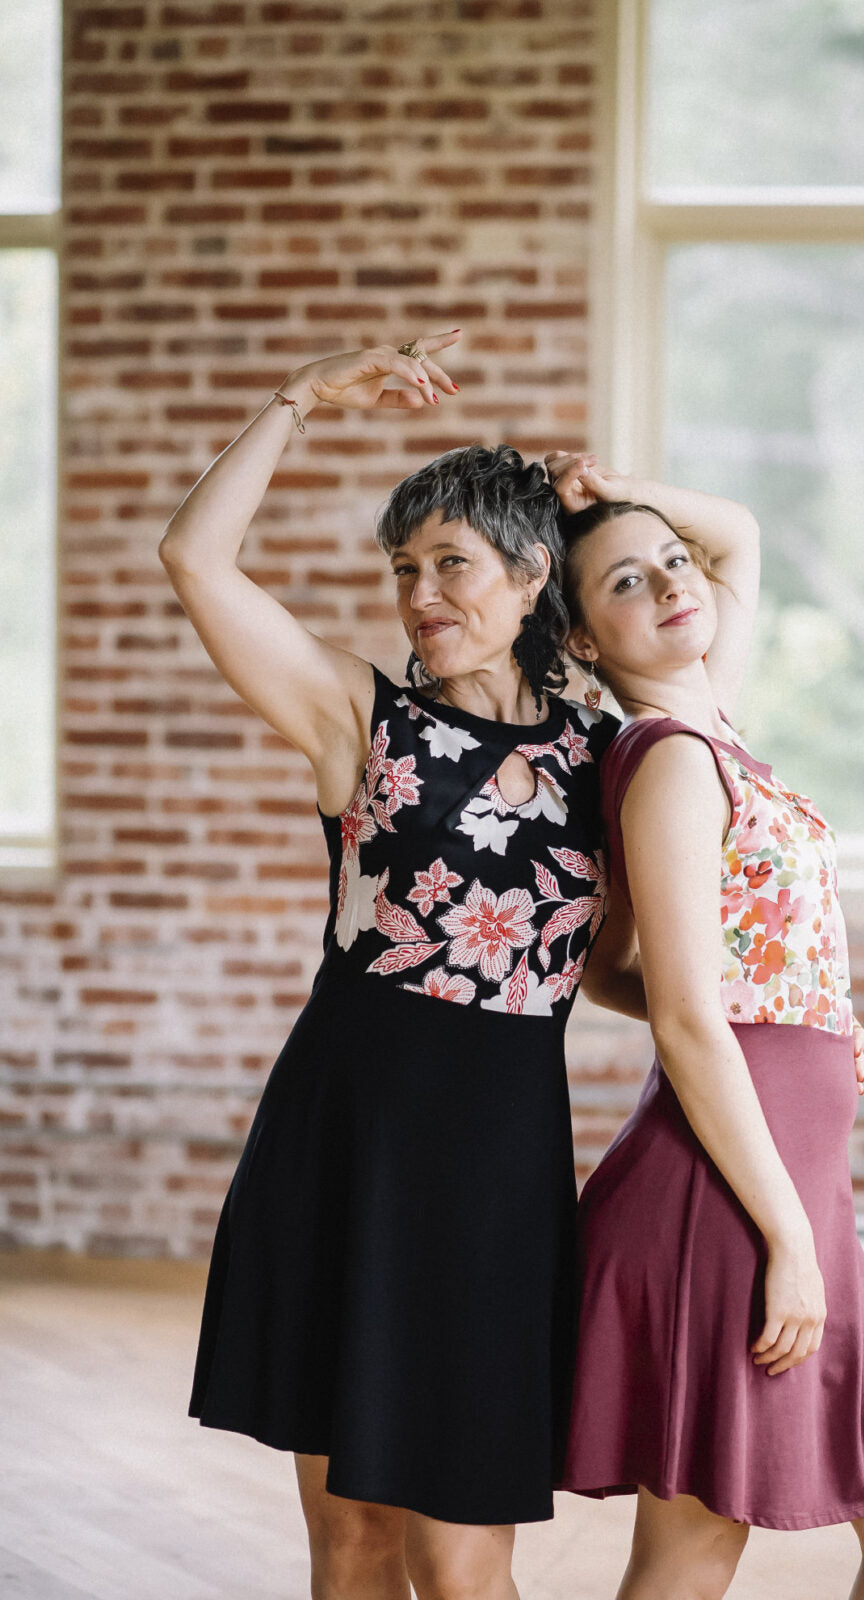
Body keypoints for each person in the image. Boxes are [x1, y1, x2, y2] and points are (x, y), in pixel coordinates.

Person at [157, 334, 627, 1600]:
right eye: (403, 567)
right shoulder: (363, 720)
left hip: (495, 1175)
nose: (420, 591)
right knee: (353, 1544)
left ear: (531, 573)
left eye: (451, 564)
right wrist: (296, 395)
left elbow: (608, 963)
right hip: (342, 1145)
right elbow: (195, 560)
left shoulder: (608, 752)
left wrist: (768, 1025)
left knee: (466, 1564)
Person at [547, 451, 864, 1599]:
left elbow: (734, 530)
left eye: (669, 565)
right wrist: (784, 1238)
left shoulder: (708, 722)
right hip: (728, 1204)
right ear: (582, 642)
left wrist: (607, 485)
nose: (671, 584)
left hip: (781, 1181)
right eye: (624, 585)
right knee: (694, 1553)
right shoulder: (672, 764)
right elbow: (683, 1022)